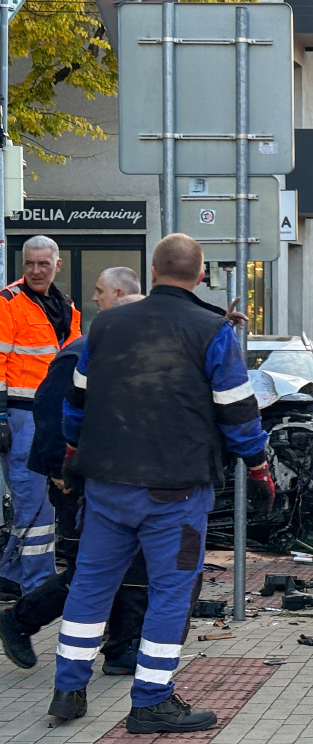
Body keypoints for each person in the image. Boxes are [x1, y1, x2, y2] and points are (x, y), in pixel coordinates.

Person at [50, 235, 274, 733]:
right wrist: (258, 465)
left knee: (90, 584)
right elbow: (238, 413)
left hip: (106, 486)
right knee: (171, 592)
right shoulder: (212, 331)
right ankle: (151, 701)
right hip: (175, 493)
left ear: (151, 272)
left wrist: (72, 454)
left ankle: (68, 690)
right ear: (199, 277)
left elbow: (75, 404)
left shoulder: (105, 325)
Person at [0, 274, 147, 674]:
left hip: (105, 479)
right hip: (75, 482)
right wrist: (61, 472)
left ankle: (120, 649)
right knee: (91, 568)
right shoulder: (79, 354)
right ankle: (20, 619)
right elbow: (50, 416)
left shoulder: (120, 355)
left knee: (128, 565)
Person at [0, 236, 82, 601]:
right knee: (34, 505)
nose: (35, 270)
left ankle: (12, 575)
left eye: (43, 264)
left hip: (50, 417)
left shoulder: (66, 307)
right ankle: (36, 586)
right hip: (20, 416)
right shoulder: (8, 303)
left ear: (57, 265)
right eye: (29, 264)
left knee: (38, 504)